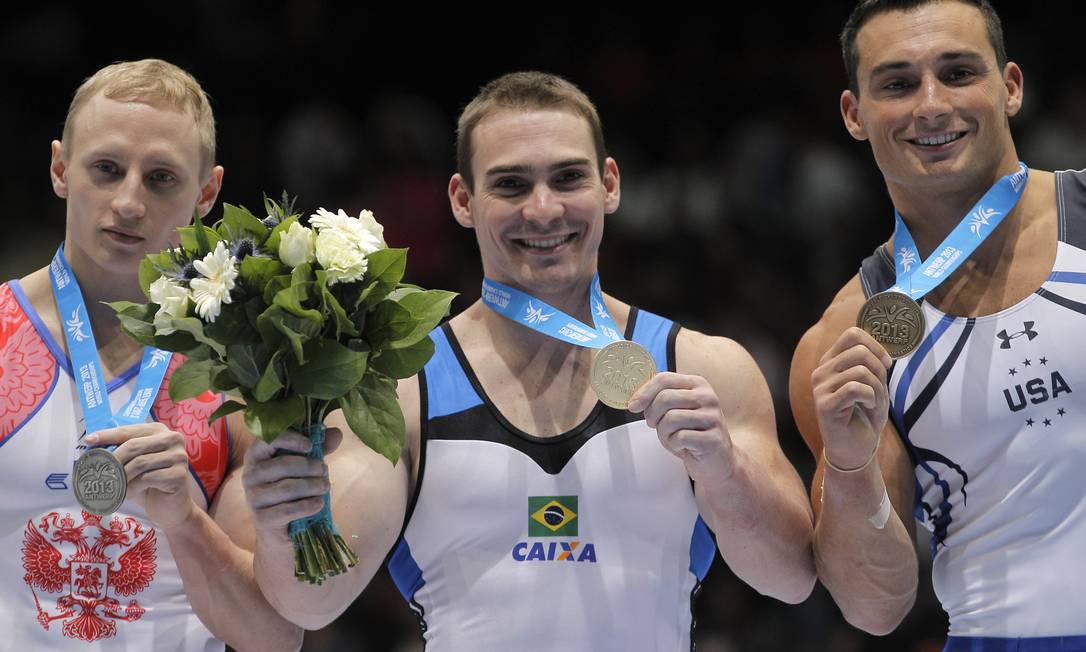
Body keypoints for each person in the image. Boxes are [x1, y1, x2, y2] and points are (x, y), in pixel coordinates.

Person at [243, 71, 817, 649]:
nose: (543, 211)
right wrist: (276, 525)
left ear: (610, 184)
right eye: (511, 185)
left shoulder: (704, 367)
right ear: (462, 200)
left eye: (568, 178)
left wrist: (724, 468)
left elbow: (791, 578)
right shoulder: (399, 388)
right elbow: (310, 606)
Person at [790, 0, 1086, 648]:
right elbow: (875, 607)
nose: (930, 105)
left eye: (957, 72)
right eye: (897, 83)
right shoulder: (845, 336)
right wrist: (849, 466)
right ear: (854, 114)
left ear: (1010, 87)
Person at [0, 59, 302, 651]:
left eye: (161, 177)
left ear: (207, 192)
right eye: (107, 169)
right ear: (61, 168)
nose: (130, 202)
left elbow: (271, 637)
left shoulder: (242, 376)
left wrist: (185, 521)